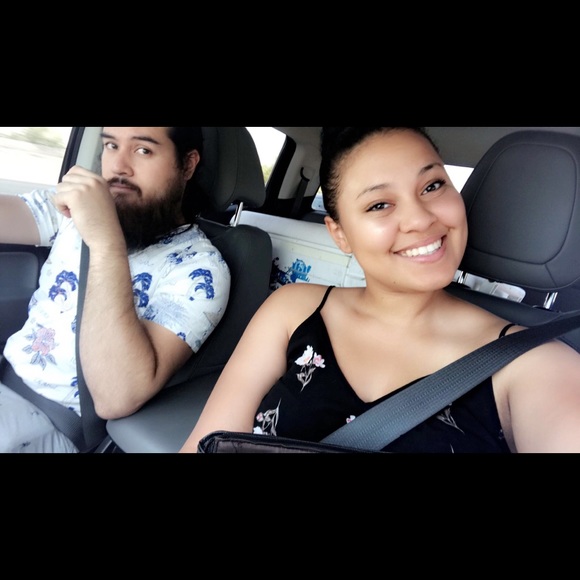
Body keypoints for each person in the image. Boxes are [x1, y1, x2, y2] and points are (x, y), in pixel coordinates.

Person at [180, 126, 580, 454]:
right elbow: (205, 445)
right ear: (340, 233)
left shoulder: (536, 365)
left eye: (432, 185)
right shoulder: (293, 310)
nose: (420, 219)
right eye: (379, 205)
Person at [0, 127, 231, 453]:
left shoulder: (200, 270)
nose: (118, 167)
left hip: (52, 425)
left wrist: (105, 242)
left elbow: (115, 397)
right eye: (111, 145)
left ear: (188, 164)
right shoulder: (75, 212)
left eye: (143, 150)